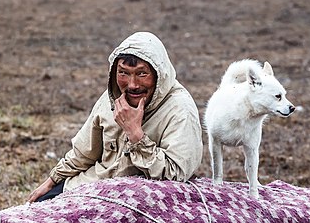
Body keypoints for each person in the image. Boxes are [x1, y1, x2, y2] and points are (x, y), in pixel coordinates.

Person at [28, 31, 203, 202]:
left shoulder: (180, 109)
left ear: (159, 74)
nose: (132, 85)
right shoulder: (112, 97)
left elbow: (176, 176)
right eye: (123, 73)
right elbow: (83, 152)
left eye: (142, 74)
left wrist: (135, 134)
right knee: (33, 210)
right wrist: (52, 181)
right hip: (92, 187)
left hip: (138, 200)